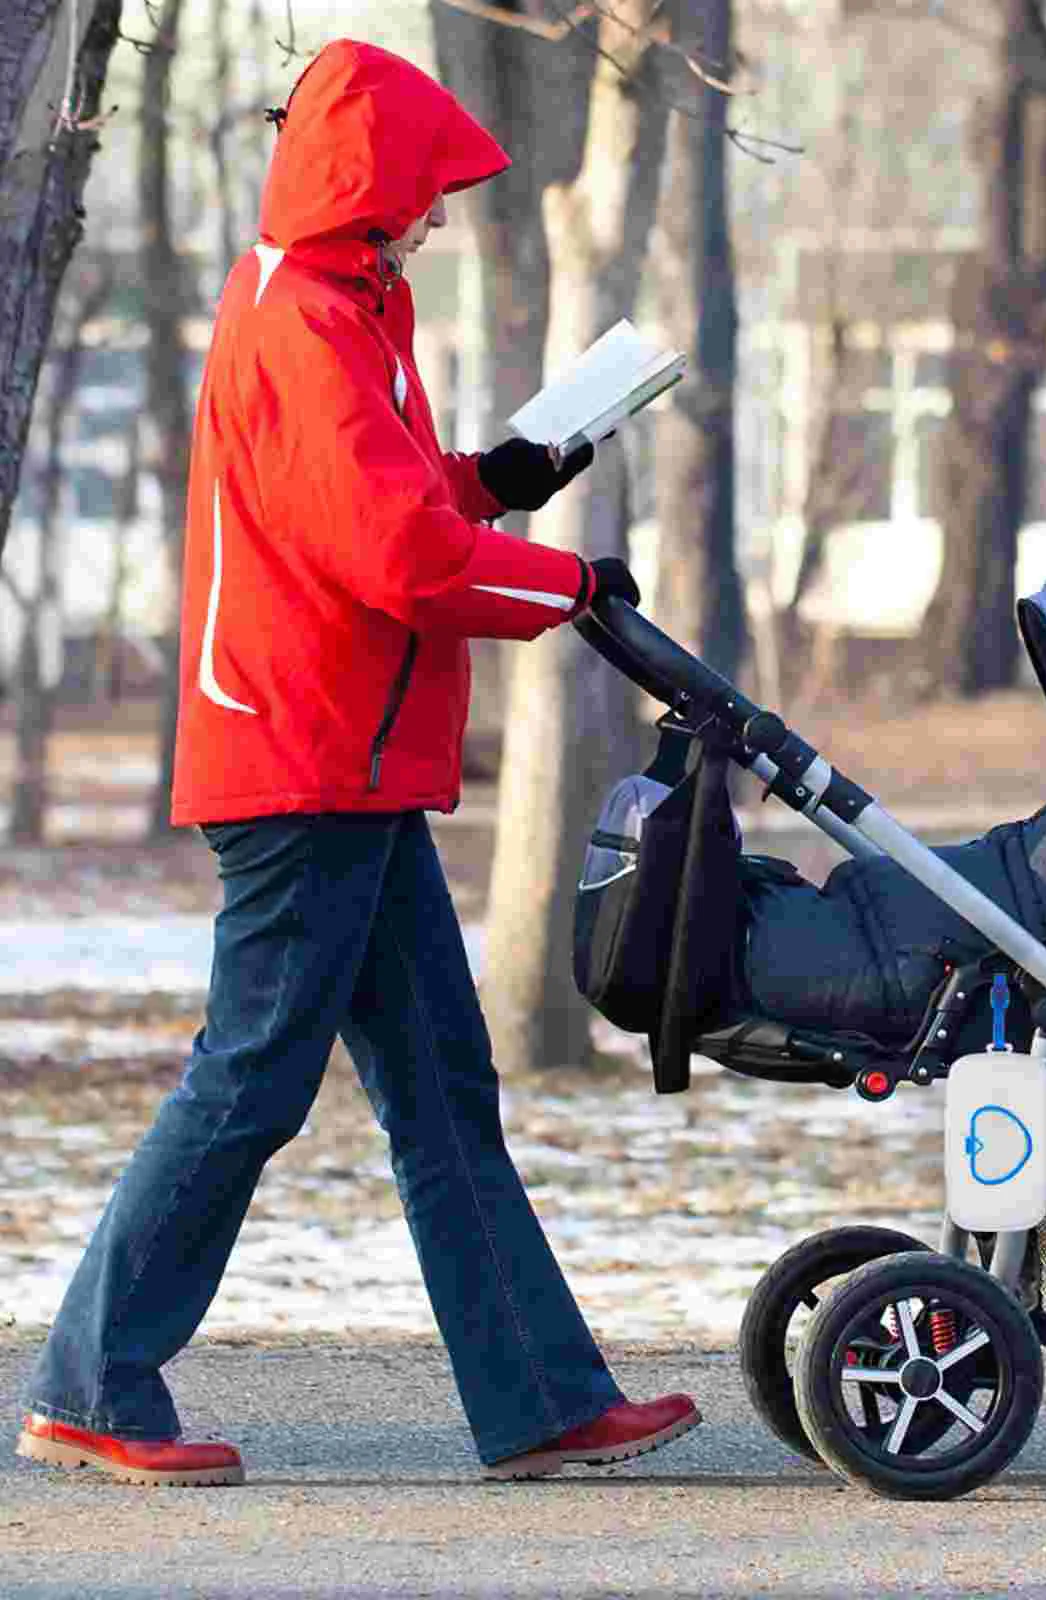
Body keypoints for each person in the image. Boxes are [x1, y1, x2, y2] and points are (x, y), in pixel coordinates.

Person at [15, 38, 698, 1488]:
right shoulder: (306, 327)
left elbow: (391, 504)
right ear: (371, 187)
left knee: (444, 1091)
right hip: (300, 759)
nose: (439, 216)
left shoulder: (339, 307)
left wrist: (501, 481)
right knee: (253, 1077)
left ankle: (540, 1401)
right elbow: (393, 560)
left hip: (353, 763)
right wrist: (563, 585)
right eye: (427, 189)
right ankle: (90, 1378)